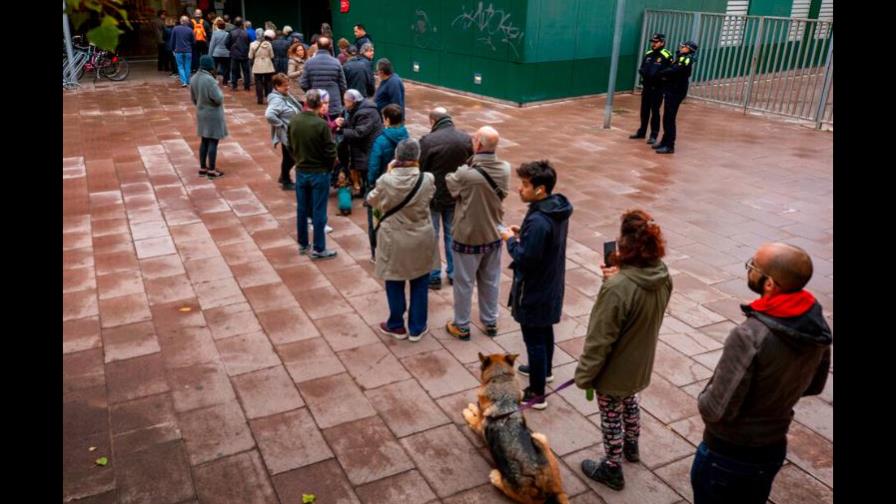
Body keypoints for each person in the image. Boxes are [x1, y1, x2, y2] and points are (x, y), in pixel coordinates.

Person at [691, 243, 831, 504]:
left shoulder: (750, 335)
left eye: (753, 266)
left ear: (770, 284)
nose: (749, 270)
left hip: (729, 453)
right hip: (772, 447)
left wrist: (703, 398)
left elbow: (717, 409)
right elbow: (814, 385)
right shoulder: (815, 323)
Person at [575, 209, 673, 491]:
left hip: (614, 369)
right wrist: (620, 278)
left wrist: (585, 375)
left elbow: (599, 339)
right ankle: (632, 446)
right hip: (641, 361)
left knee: (610, 414)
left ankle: (612, 467)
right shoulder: (663, 275)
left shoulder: (618, 288)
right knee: (631, 401)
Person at [498, 160, 572, 408]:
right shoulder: (553, 209)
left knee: (534, 338)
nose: (520, 189)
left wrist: (511, 240)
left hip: (535, 289)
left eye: (525, 184)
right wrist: (524, 235)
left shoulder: (540, 220)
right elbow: (542, 244)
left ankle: (537, 392)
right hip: (550, 284)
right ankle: (545, 370)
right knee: (545, 329)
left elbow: (525, 259)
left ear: (540, 189)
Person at [444, 126, 510, 341]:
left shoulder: (466, 173)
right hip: (493, 233)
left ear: (478, 145)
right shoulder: (505, 168)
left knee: (464, 283)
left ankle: (462, 325)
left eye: (474, 138)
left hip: (468, 236)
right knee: (490, 281)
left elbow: (450, 184)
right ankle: (490, 321)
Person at [367, 138, 436, 342]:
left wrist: (388, 173)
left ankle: (396, 324)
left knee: (394, 280)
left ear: (396, 157)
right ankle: (417, 327)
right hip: (421, 235)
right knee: (420, 281)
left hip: (393, 237)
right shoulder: (427, 178)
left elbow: (372, 199)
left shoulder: (386, 180)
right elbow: (430, 196)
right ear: (417, 157)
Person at [419, 107, 472, 290]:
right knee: (452, 234)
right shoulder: (465, 139)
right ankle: (453, 272)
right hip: (455, 195)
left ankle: (433, 275)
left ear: (432, 121)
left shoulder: (427, 141)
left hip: (433, 195)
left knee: (432, 235)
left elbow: (421, 169)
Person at [288, 89, 338, 259]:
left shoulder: (294, 121)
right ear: (318, 104)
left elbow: (289, 145)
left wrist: (297, 159)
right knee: (318, 210)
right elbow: (331, 151)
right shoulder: (321, 125)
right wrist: (329, 168)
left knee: (302, 209)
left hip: (301, 170)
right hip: (319, 172)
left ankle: (303, 244)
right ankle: (319, 248)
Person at [366, 104, 409, 261]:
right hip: (403, 184)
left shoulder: (381, 141)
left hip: (383, 186)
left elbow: (374, 165)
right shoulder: (407, 137)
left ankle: (376, 254)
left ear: (387, 120)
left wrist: (371, 184)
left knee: (376, 220)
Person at [336, 89, 383, 197]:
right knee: (362, 168)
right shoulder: (360, 108)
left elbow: (359, 132)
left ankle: (368, 193)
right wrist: (344, 123)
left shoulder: (365, 112)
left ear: (353, 101)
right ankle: (363, 190)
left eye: (345, 101)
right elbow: (355, 123)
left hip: (368, 144)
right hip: (365, 144)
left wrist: (341, 131)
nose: (344, 104)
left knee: (366, 169)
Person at [654, 40, 698, 154]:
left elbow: (674, 71)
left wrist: (661, 73)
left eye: (683, 46)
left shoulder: (685, 59)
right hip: (672, 89)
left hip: (676, 91)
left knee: (670, 118)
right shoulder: (680, 57)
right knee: (667, 117)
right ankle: (664, 141)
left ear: (688, 49)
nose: (681, 47)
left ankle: (669, 145)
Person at [630, 33, 672, 145]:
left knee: (655, 111)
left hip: (657, 88)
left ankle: (654, 135)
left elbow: (669, 72)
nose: (653, 44)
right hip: (647, 87)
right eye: (652, 42)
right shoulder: (648, 54)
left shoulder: (666, 55)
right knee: (644, 111)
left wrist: (659, 79)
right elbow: (643, 67)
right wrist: (643, 73)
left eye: (656, 42)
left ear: (662, 43)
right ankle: (642, 131)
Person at [190, 56, 228, 179]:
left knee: (204, 140)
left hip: (201, 112)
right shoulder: (210, 80)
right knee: (213, 141)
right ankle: (212, 169)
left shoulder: (194, 78)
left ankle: (202, 167)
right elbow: (218, 98)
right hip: (213, 113)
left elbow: (193, 98)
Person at [266, 73, 303, 191]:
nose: (287, 87)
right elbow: (269, 115)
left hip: (292, 133)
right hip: (288, 134)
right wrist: (281, 124)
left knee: (288, 157)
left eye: (288, 84)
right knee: (293, 157)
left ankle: (284, 177)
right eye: (284, 85)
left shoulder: (285, 95)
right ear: (277, 86)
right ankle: (286, 181)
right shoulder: (277, 100)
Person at [301, 37, 348, 119]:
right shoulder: (336, 62)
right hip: (333, 103)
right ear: (330, 46)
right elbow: (343, 85)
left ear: (317, 46)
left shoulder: (309, 63)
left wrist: (312, 92)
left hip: (315, 103)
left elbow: (303, 84)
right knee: (333, 127)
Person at [250, 30, 276, 105]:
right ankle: (269, 98)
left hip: (257, 64)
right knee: (268, 82)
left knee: (258, 82)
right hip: (268, 64)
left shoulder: (252, 44)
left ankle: (260, 99)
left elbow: (250, 56)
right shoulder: (268, 44)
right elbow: (272, 55)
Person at [227, 19, 251, 91]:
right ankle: (247, 86)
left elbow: (226, 43)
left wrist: (231, 49)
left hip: (234, 54)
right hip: (244, 54)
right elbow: (249, 43)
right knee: (246, 71)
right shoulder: (246, 33)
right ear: (241, 24)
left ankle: (234, 86)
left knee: (234, 71)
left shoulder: (231, 33)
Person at [171, 16, 195, 87]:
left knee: (180, 66)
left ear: (180, 21)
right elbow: (193, 42)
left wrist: (173, 49)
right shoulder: (190, 30)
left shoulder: (175, 29)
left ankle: (183, 81)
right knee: (187, 66)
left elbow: (172, 40)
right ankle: (188, 81)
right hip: (188, 50)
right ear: (187, 22)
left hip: (178, 50)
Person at [207, 18, 231, 84]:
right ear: (224, 27)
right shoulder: (227, 34)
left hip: (216, 53)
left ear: (217, 26)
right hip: (226, 53)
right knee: (226, 68)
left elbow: (212, 44)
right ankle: (225, 82)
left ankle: (213, 80)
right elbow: (229, 44)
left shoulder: (215, 34)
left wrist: (210, 54)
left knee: (214, 67)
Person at [190, 8, 211, 73]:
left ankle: (196, 68)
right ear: (201, 14)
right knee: (204, 55)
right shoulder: (205, 22)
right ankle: (204, 68)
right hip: (204, 42)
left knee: (195, 55)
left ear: (194, 14)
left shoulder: (190, 22)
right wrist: (208, 41)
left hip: (194, 42)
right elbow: (209, 33)